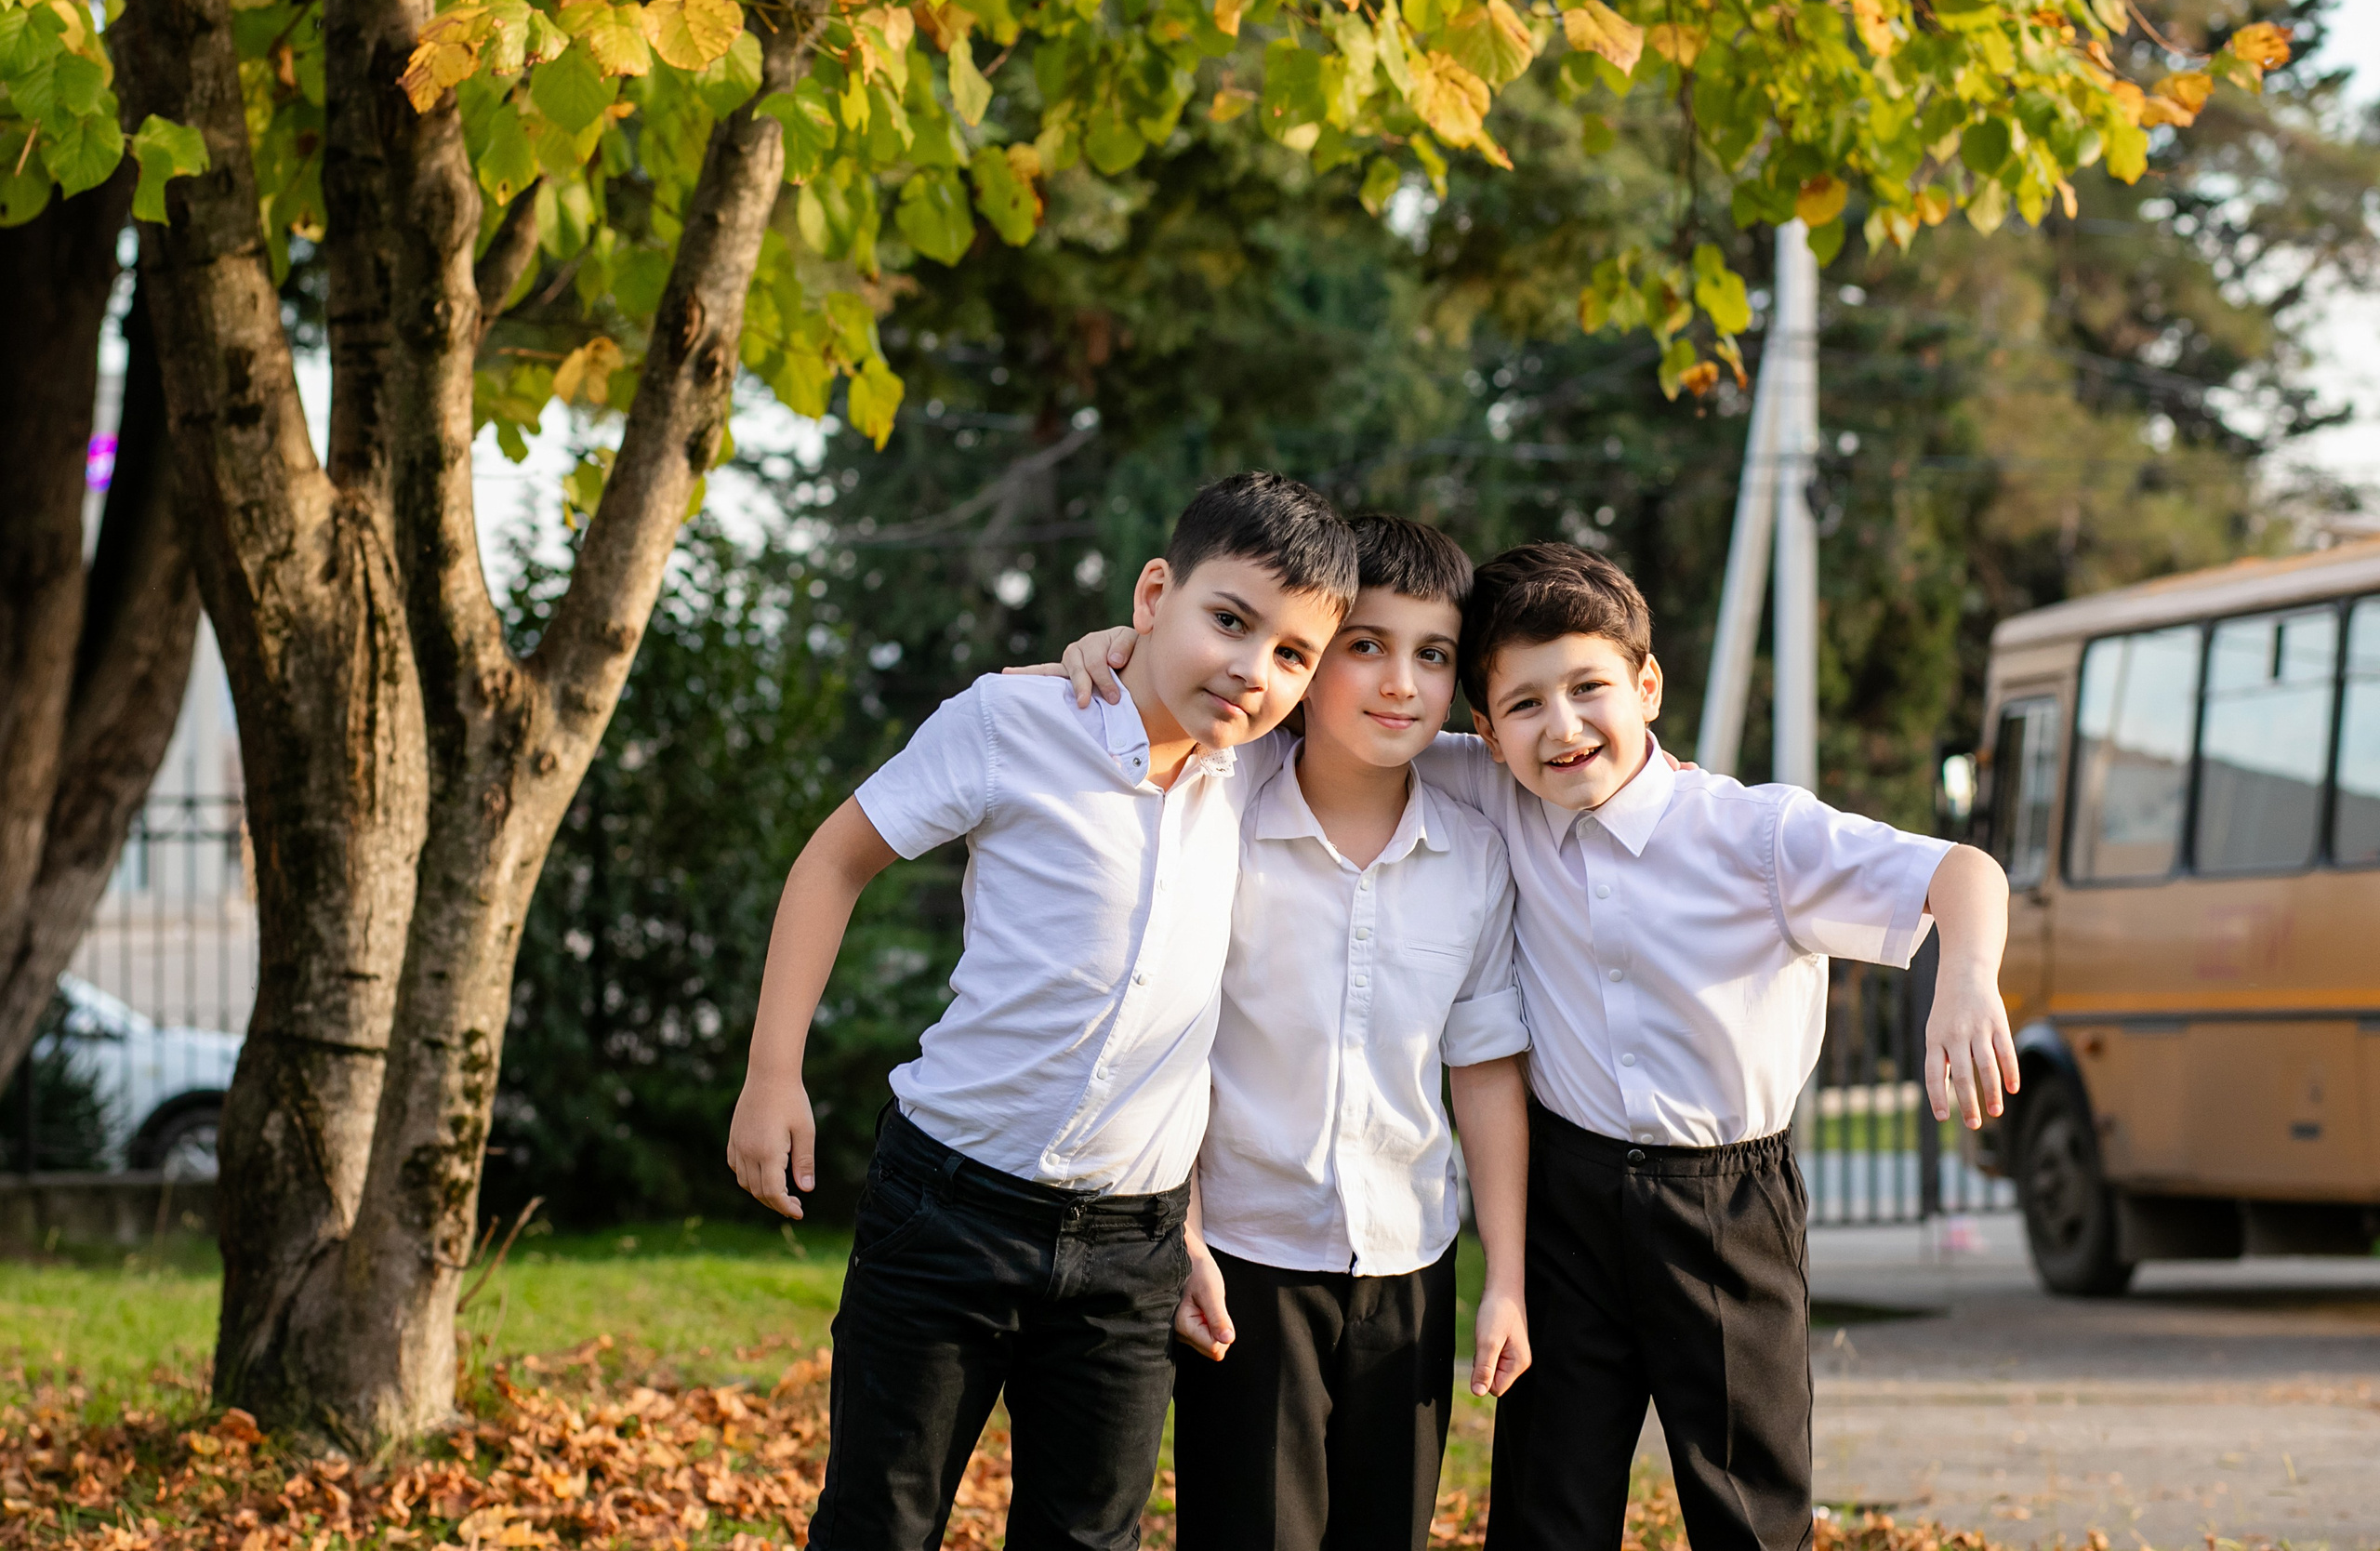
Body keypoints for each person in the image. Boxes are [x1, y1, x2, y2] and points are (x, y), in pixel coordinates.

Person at [1049, 538, 2017, 1551]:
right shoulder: (1492, 782)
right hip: (1571, 1199)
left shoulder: (1754, 835)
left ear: (1646, 684)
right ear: (1485, 728)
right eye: (1523, 705)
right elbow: (1319, 716)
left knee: (1746, 1501)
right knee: (1548, 1503)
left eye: (1590, 688)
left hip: (1726, 1205)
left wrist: (1965, 977)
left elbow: (1964, 872)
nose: (1561, 728)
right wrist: (1126, 646)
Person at [724, 471, 1358, 1551]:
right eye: (1229, 621)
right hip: (948, 1206)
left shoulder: (1259, 774)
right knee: (879, 1522)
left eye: (1292, 654)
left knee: (1086, 1539)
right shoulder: (1015, 721)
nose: (1254, 670)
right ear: (1155, 593)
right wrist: (772, 1074)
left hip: (1131, 1249)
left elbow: (1413, 747)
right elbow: (834, 861)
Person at [1167, 515, 1532, 1551]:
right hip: (1246, 1260)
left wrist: (1502, 1278)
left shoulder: (1475, 853)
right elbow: (1175, 1040)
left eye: (1432, 656)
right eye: (1364, 646)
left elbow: (1485, 1071)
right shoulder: (1218, 811)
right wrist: (1186, 1237)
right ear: (1308, 654)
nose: (1398, 685)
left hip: (1411, 1266)